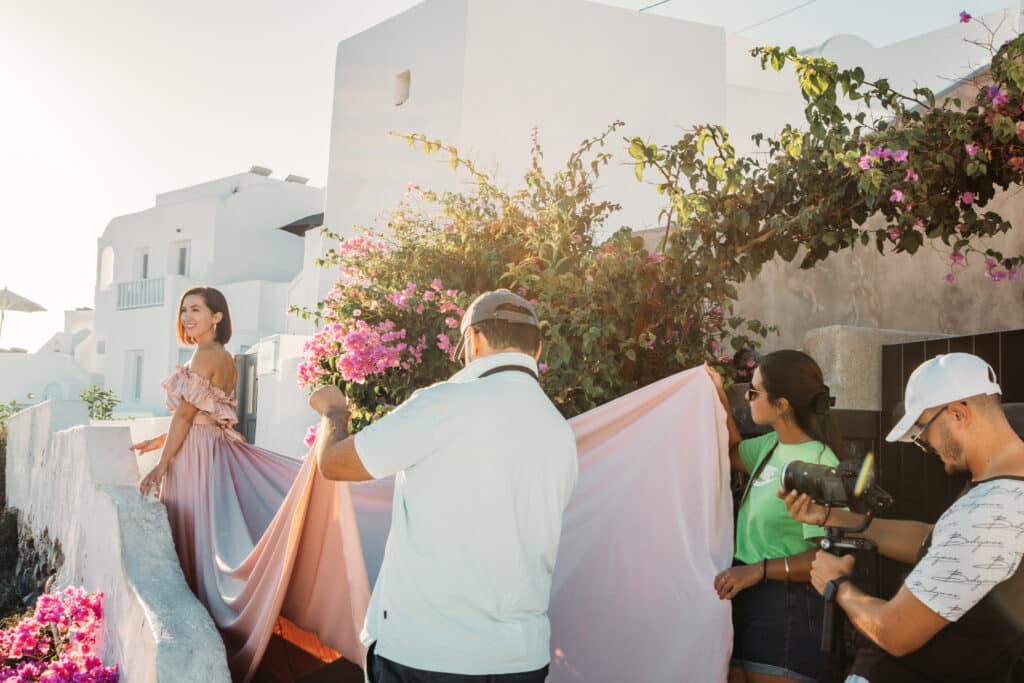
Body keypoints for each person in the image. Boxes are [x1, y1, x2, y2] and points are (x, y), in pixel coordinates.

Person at [307, 289, 578, 683]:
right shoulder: (560, 432)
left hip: (428, 654)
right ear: (536, 350)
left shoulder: (443, 404)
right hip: (522, 659)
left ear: (474, 340)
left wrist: (334, 413)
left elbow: (333, 464)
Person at [781, 352, 1024, 683]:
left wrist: (836, 585)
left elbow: (893, 632)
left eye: (922, 429)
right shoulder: (1000, 492)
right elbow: (934, 539)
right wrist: (830, 516)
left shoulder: (992, 513)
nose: (923, 443)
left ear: (958, 413)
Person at [706, 350, 846, 683]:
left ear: (781, 404)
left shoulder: (819, 462)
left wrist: (758, 570)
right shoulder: (769, 445)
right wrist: (720, 399)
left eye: (753, 392)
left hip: (789, 606)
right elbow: (731, 453)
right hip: (745, 597)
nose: (749, 398)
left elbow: (830, 555)